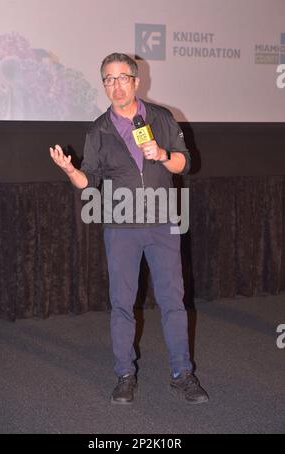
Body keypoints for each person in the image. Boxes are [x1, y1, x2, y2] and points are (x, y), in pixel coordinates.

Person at [50, 53, 208, 405]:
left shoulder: (161, 118)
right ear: (103, 84)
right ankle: (124, 374)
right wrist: (70, 170)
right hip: (121, 226)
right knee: (122, 303)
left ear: (136, 82)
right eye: (108, 79)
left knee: (173, 301)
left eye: (122, 78)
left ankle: (182, 373)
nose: (116, 85)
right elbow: (88, 182)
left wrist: (163, 154)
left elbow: (186, 161)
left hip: (162, 222)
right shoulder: (98, 130)